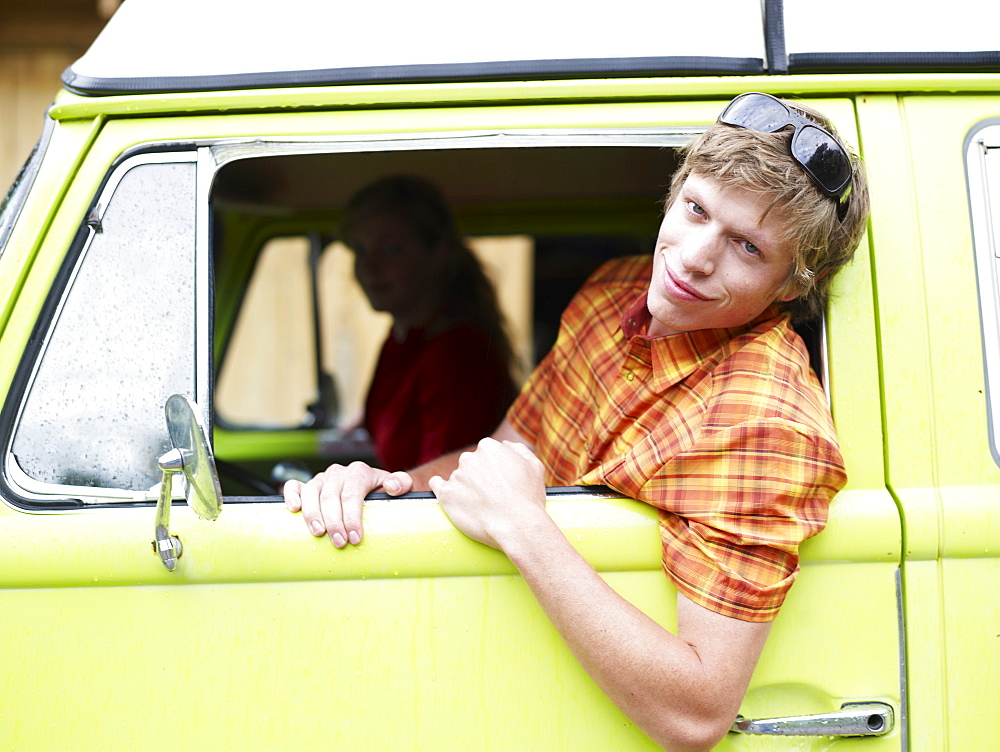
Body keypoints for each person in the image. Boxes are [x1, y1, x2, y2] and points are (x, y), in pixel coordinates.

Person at [285, 93, 870, 750]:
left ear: (792, 283)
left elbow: (698, 713)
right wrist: (385, 487)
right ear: (675, 193)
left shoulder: (769, 421)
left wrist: (524, 526)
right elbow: (506, 452)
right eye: (696, 210)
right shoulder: (611, 293)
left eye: (746, 247)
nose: (694, 258)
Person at [339, 175, 518, 472]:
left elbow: (446, 481)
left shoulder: (454, 352)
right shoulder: (403, 339)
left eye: (391, 249)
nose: (369, 267)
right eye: (360, 250)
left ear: (438, 254)